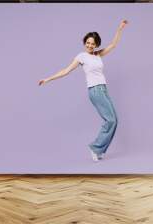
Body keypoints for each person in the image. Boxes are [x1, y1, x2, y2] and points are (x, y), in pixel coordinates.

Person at [39, 20, 128, 161]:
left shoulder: (97, 55)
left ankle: (99, 150)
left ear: (96, 45)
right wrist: (48, 79)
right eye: (88, 43)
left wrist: (120, 29)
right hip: (95, 91)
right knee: (110, 120)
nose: (90, 45)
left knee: (114, 120)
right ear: (84, 43)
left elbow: (113, 45)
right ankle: (95, 148)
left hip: (103, 89)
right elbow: (66, 70)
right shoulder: (81, 56)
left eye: (92, 43)